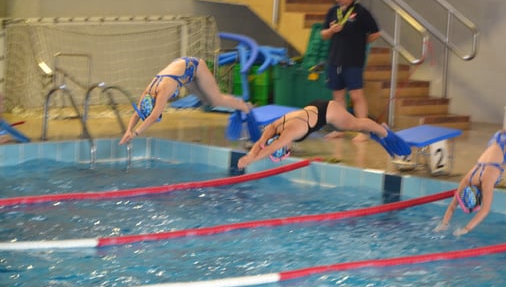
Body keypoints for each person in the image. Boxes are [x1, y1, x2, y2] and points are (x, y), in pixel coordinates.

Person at [237, 99, 410, 169]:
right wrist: (249, 155)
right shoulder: (272, 128)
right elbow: (261, 144)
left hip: (327, 111)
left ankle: (384, 131)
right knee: (347, 127)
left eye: (285, 150)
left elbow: (269, 148)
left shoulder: (290, 133)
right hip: (314, 109)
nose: (288, 149)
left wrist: (251, 160)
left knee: (355, 124)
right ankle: (377, 130)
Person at [119, 57, 252, 145]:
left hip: (195, 66)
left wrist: (135, 133)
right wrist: (128, 131)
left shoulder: (162, 90)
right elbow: (137, 114)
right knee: (206, 101)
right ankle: (239, 105)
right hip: (184, 72)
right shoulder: (147, 93)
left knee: (216, 100)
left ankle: (245, 106)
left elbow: (153, 117)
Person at [320, 0, 381, 142]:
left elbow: (375, 33)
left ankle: (364, 131)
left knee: (356, 95)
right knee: (338, 96)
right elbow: (323, 34)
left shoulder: (361, 12)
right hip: (335, 59)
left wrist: (360, 43)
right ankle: (340, 128)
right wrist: (331, 31)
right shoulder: (333, 11)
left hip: (353, 61)